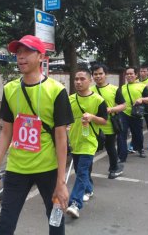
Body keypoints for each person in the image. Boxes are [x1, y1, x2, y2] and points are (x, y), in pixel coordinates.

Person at [0, 35, 74, 235]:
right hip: (17, 167)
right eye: (18, 52)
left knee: (55, 219)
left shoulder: (56, 91)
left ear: (41, 56)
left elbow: (61, 139)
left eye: (27, 52)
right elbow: (6, 132)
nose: (21, 57)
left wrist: (61, 182)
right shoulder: (10, 89)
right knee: (5, 225)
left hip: (48, 168)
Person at [66, 69, 107, 218]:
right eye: (76, 79)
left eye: (82, 79)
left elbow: (104, 120)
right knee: (79, 171)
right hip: (75, 141)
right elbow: (65, 120)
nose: (78, 82)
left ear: (90, 81)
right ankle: (89, 189)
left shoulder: (98, 100)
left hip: (89, 142)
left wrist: (92, 117)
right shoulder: (70, 99)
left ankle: (75, 204)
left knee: (82, 171)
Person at [90, 63, 126, 179]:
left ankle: (113, 169)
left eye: (101, 73)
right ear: (92, 76)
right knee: (91, 149)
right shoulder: (90, 90)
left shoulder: (114, 89)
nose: (98, 76)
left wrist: (111, 109)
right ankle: (87, 173)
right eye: (95, 74)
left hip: (109, 126)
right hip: (94, 126)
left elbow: (123, 106)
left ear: (106, 75)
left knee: (110, 148)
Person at [118, 67, 148, 162]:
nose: (129, 76)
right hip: (124, 114)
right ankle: (122, 155)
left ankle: (140, 149)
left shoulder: (141, 86)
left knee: (137, 134)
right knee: (122, 135)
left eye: (131, 74)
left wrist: (142, 99)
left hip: (136, 114)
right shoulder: (123, 87)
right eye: (127, 74)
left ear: (136, 75)